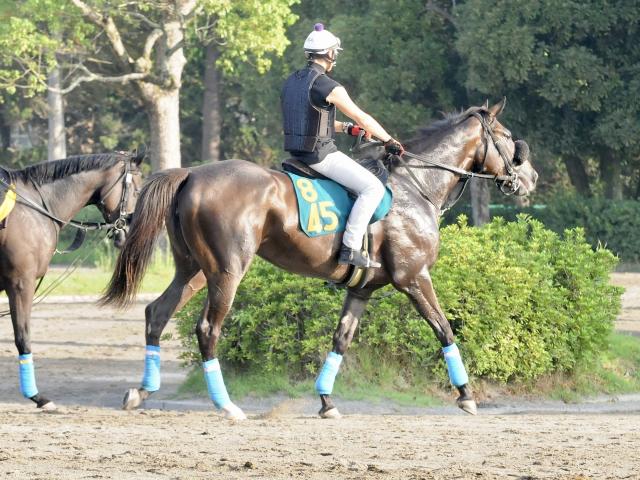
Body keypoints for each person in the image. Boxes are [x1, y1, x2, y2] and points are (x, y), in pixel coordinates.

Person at [281, 23, 404, 269]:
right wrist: (388, 140)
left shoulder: (291, 82)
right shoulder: (328, 85)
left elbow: (312, 120)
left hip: (296, 155)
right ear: (329, 54)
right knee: (372, 188)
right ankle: (350, 248)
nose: (335, 57)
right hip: (320, 156)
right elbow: (363, 117)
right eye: (334, 52)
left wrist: (346, 128)